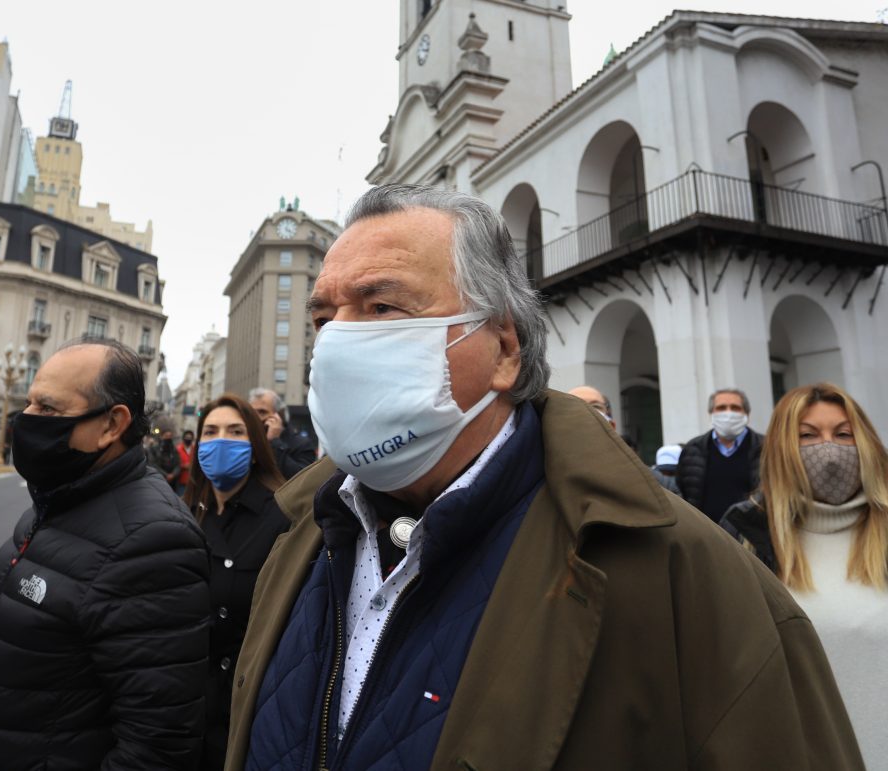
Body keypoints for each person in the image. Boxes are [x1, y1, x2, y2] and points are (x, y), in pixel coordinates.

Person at [226, 184, 861, 769]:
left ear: (503, 349)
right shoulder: (297, 539)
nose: (336, 342)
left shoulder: (687, 579)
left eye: (381, 306)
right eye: (323, 319)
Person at [0, 340, 211, 771]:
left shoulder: (153, 540)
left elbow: (157, 747)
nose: (26, 420)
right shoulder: (61, 496)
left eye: (47, 409)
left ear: (111, 424)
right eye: (28, 403)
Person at [721, 383, 888, 769]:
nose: (828, 449)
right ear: (782, 448)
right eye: (808, 436)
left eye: (843, 434)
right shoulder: (746, 534)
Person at [183, 393, 288, 770]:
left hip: (243, 713)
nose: (220, 441)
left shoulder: (282, 516)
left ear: (256, 446)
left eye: (235, 431)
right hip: (186, 708)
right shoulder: (185, 514)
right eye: (209, 432)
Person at [676, 388, 763, 523]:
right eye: (721, 408)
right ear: (711, 413)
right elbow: (684, 495)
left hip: (751, 537)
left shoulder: (767, 448)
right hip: (707, 536)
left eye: (735, 408)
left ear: (747, 414)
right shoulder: (692, 450)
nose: (728, 413)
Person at [248, 387, 315, 478]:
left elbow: (301, 480)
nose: (256, 418)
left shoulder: (302, 444)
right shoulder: (246, 440)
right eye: (252, 412)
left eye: (262, 412)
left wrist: (275, 442)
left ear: (279, 415)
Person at [148, 421, 181, 490]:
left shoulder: (174, 450)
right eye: (166, 436)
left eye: (170, 436)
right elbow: (153, 464)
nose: (168, 438)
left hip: (173, 484)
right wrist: (166, 475)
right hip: (158, 481)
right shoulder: (154, 449)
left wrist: (173, 475)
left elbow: (178, 465)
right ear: (161, 436)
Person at [176, 428, 195, 496]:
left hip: (192, 481)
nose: (188, 439)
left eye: (190, 437)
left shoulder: (195, 449)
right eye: (187, 437)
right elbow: (174, 464)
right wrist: (184, 466)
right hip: (180, 480)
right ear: (183, 438)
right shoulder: (178, 449)